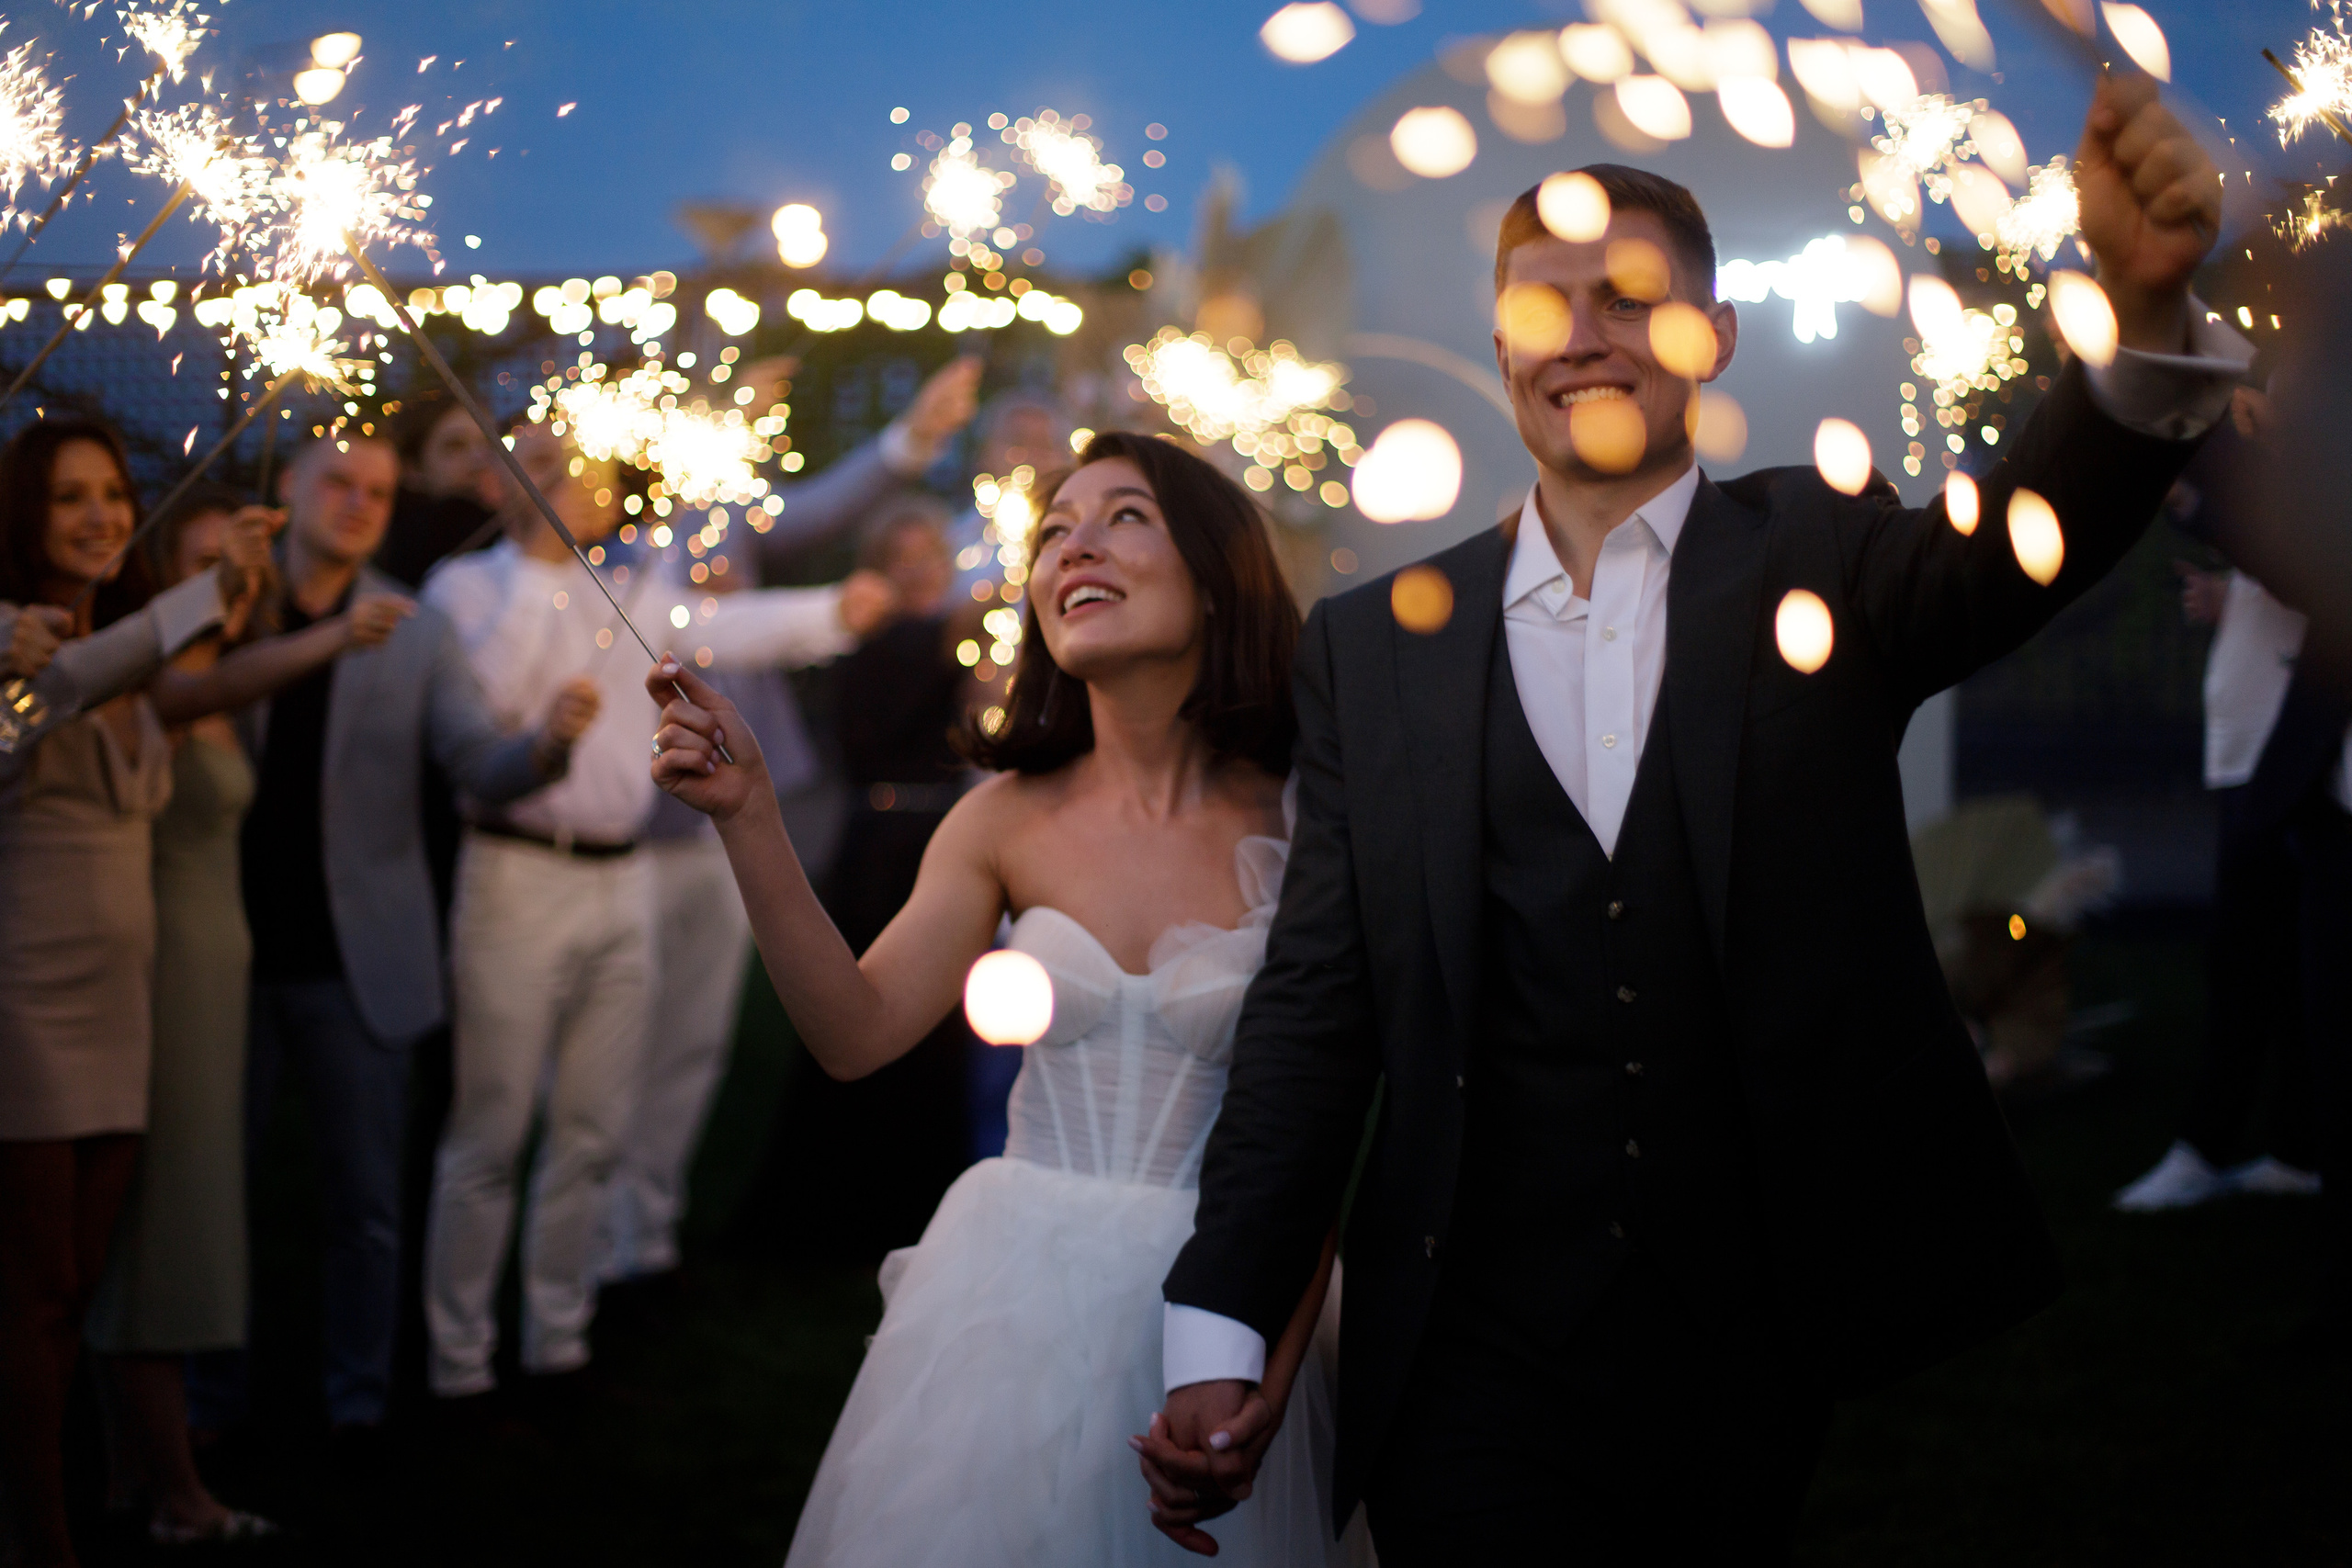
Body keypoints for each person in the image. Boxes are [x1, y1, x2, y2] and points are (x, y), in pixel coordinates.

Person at [1143, 76, 2250, 1562]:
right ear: (1500, 346)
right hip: (1469, 1335)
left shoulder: (1822, 550)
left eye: (1632, 298)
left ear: (1712, 340)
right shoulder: (1376, 646)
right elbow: (1318, 1005)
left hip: (1752, 1329)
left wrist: (2142, 311)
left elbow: (2020, 555)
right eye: (1548, 305)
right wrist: (1222, 1317)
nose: (1586, 334)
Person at [646, 432, 1363, 1565]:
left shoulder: (1313, 820)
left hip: (1236, 1300)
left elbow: (1322, 1134)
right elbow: (855, 1032)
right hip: (1015, 1295)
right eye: (1052, 530)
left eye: (1123, 515)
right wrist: (750, 818)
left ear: (1221, 570)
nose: (1073, 543)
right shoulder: (1003, 819)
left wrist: (1265, 1385)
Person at [418, 422, 894, 1404]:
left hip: (623, 879)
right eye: (546, 467)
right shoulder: (463, 590)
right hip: (514, 879)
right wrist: (541, 562)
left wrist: (838, 612)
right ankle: (459, 1363)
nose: (576, 481)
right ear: (504, 486)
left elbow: (733, 627)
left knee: (591, 1125)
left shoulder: (631, 592)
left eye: (580, 466)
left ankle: (559, 1342)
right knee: (493, 1129)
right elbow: (492, 700)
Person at [186, 433, 588, 1452]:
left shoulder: (410, 628)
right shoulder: (224, 603)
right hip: (221, 950)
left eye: (379, 487)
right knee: (208, 1198)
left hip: (357, 956)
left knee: (364, 1203)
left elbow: (474, 763)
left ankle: (357, 1405)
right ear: (290, 487)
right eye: (339, 482)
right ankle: (207, 1406)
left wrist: (545, 747)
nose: (361, 501)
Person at [599, 360, 982, 1289]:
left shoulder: (735, 510)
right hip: (640, 815)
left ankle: (646, 1239)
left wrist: (915, 435)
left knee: (695, 1042)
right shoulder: (619, 541)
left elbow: (823, 509)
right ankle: (584, 1253)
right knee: (619, 1040)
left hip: (731, 817)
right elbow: (707, 627)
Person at [80, 481, 408, 1543]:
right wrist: (326, 639)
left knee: (186, 1201)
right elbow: (180, 701)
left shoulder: (223, 670)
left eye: (241, 566)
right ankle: (173, 1481)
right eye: (205, 566)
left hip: (230, 957)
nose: (231, 584)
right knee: (170, 1208)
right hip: (170, 961)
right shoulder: (155, 674)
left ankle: (147, 1462)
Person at [0, 423, 270, 1568]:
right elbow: (61, 684)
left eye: (115, 493)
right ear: (24, 516)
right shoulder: (15, 646)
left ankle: (59, 1501)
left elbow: (161, 683)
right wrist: (207, 594)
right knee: (31, 1286)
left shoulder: (124, 646)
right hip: (21, 1001)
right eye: (71, 498)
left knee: (73, 1292)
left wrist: (240, 606)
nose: (103, 516)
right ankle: (40, 1536)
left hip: (121, 1003)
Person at [763, 497, 988, 1263]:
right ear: (879, 569)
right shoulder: (868, 645)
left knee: (939, 1027)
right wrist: (940, 643)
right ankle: (833, 1210)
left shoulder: (967, 642)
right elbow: (874, 736)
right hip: (877, 846)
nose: (921, 570)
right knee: (859, 1003)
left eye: (932, 554)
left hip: (942, 839)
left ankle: (915, 1206)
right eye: (904, 557)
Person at [2115, 404, 2325, 1208]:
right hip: (2257, 749)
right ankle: (2297, 1148)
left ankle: (2210, 1146)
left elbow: (2310, 574)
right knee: (2270, 961)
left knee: (2248, 960)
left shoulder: (2306, 488)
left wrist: (2200, 507)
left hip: (2285, 755)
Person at [371, 392, 505, 591]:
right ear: (412, 468)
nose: (480, 460)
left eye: (488, 445)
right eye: (456, 446)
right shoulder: (409, 541)